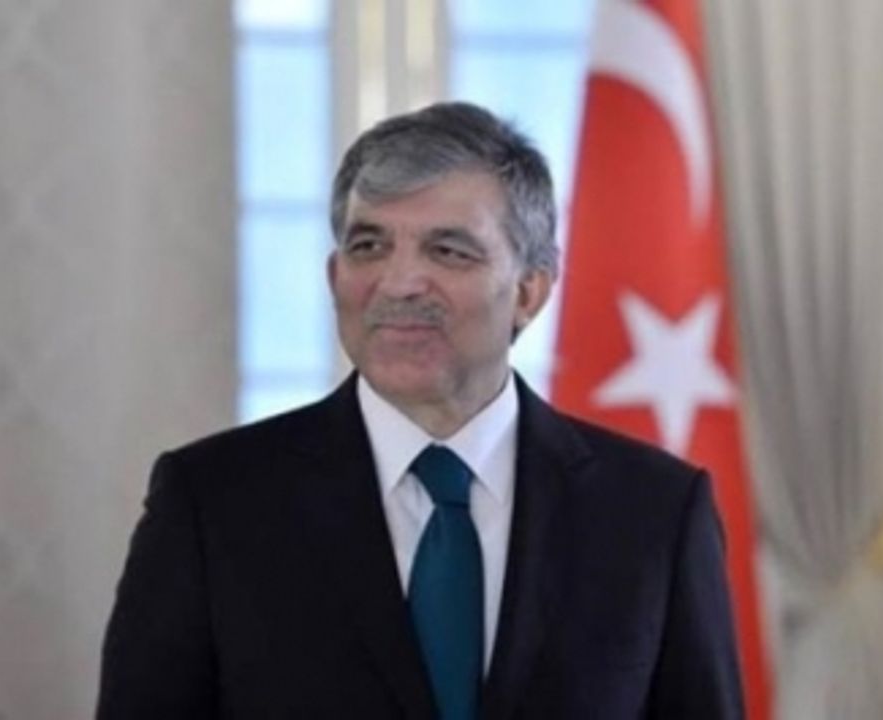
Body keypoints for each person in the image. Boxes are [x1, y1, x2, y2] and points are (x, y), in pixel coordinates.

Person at [97, 101, 745, 719]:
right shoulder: (212, 503)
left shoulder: (654, 512)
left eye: (448, 251)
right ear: (334, 277)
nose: (400, 283)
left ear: (530, 291)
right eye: (369, 246)